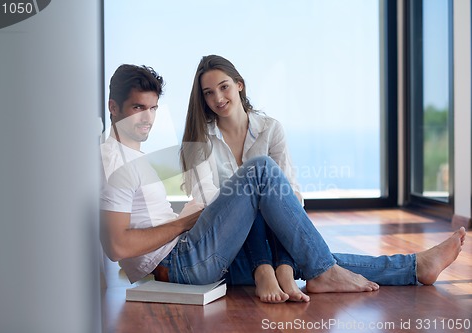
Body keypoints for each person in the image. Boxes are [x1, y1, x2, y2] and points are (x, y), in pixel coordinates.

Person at [99, 63, 466, 305]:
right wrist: (184, 222)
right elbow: (117, 245)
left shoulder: (134, 157)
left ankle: (414, 267)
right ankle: (323, 270)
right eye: (137, 108)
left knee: (305, 256)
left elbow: (287, 194)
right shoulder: (115, 161)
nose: (147, 118)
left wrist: (189, 220)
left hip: (190, 256)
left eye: (152, 109)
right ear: (113, 108)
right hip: (179, 266)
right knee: (259, 170)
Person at [180, 54, 307, 303]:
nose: (217, 98)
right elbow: (210, 203)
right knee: (253, 194)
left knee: (275, 195)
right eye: (208, 93)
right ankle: (265, 270)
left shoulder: (271, 129)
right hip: (227, 238)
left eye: (224, 87)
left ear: (239, 84)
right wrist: (251, 199)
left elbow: (291, 192)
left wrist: (269, 203)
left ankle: (283, 269)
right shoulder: (200, 137)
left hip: (274, 232)